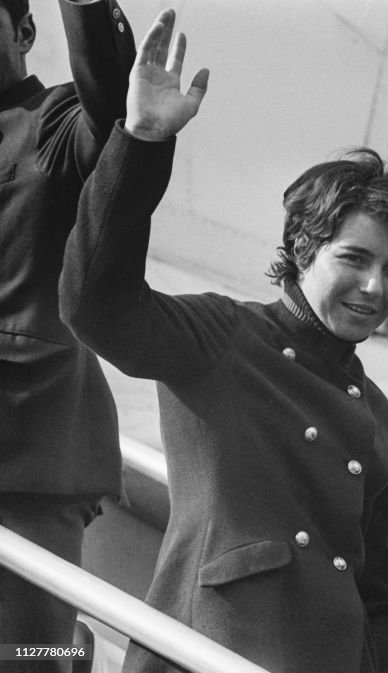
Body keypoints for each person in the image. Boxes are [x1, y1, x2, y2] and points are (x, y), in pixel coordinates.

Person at [58, 10, 388, 673]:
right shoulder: (223, 334)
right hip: (213, 651)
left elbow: (373, 592)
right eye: (355, 258)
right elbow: (96, 305)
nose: (376, 287)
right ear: (302, 247)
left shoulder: (379, 414)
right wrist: (141, 141)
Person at [0, 0, 134, 661]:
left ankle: (62, 653)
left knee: (22, 658)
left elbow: (113, 104)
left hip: (27, 456)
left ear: (25, 32)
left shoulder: (53, 123)